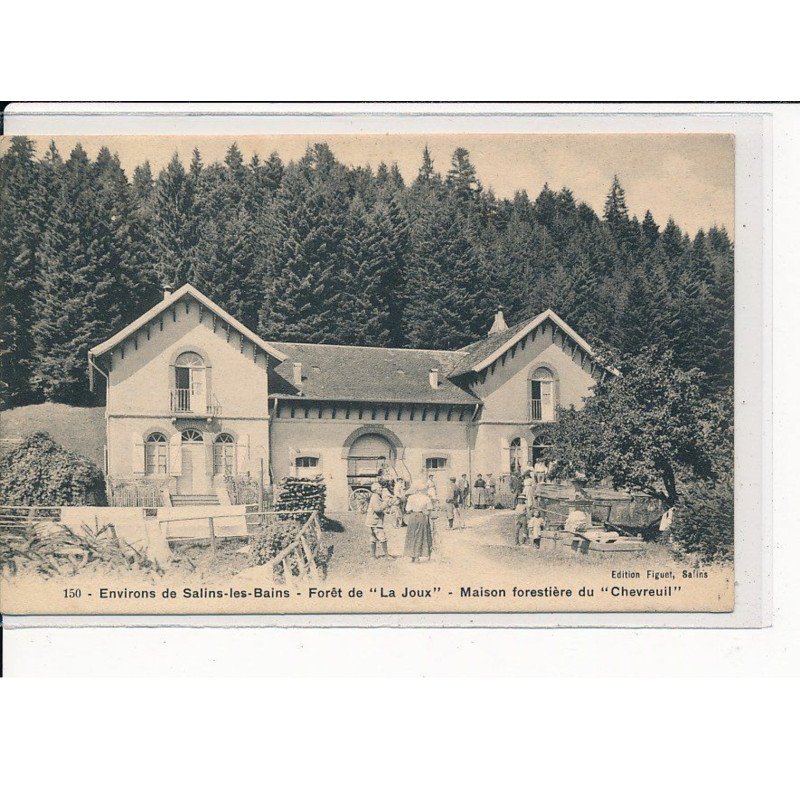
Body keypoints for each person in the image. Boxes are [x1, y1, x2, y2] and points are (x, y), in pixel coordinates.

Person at [404, 479, 433, 562]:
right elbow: (429, 509)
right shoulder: (426, 498)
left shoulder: (411, 498)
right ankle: (417, 556)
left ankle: (412, 556)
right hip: (422, 516)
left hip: (412, 517)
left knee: (412, 535)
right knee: (420, 535)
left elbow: (408, 509)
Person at [365, 481, 390, 558]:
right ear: (375, 489)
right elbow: (377, 509)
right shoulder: (375, 497)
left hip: (372, 521)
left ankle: (373, 556)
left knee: (373, 538)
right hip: (375, 522)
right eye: (379, 487)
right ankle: (387, 555)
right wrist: (386, 502)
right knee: (382, 537)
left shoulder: (375, 496)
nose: (381, 489)